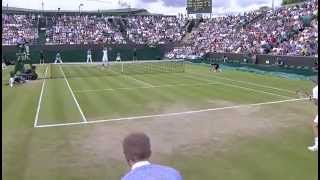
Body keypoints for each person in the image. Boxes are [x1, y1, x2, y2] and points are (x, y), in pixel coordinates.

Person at [308, 83, 318, 152]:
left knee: (315, 125)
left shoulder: (315, 89)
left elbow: (316, 103)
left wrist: (312, 99)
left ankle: (317, 145)